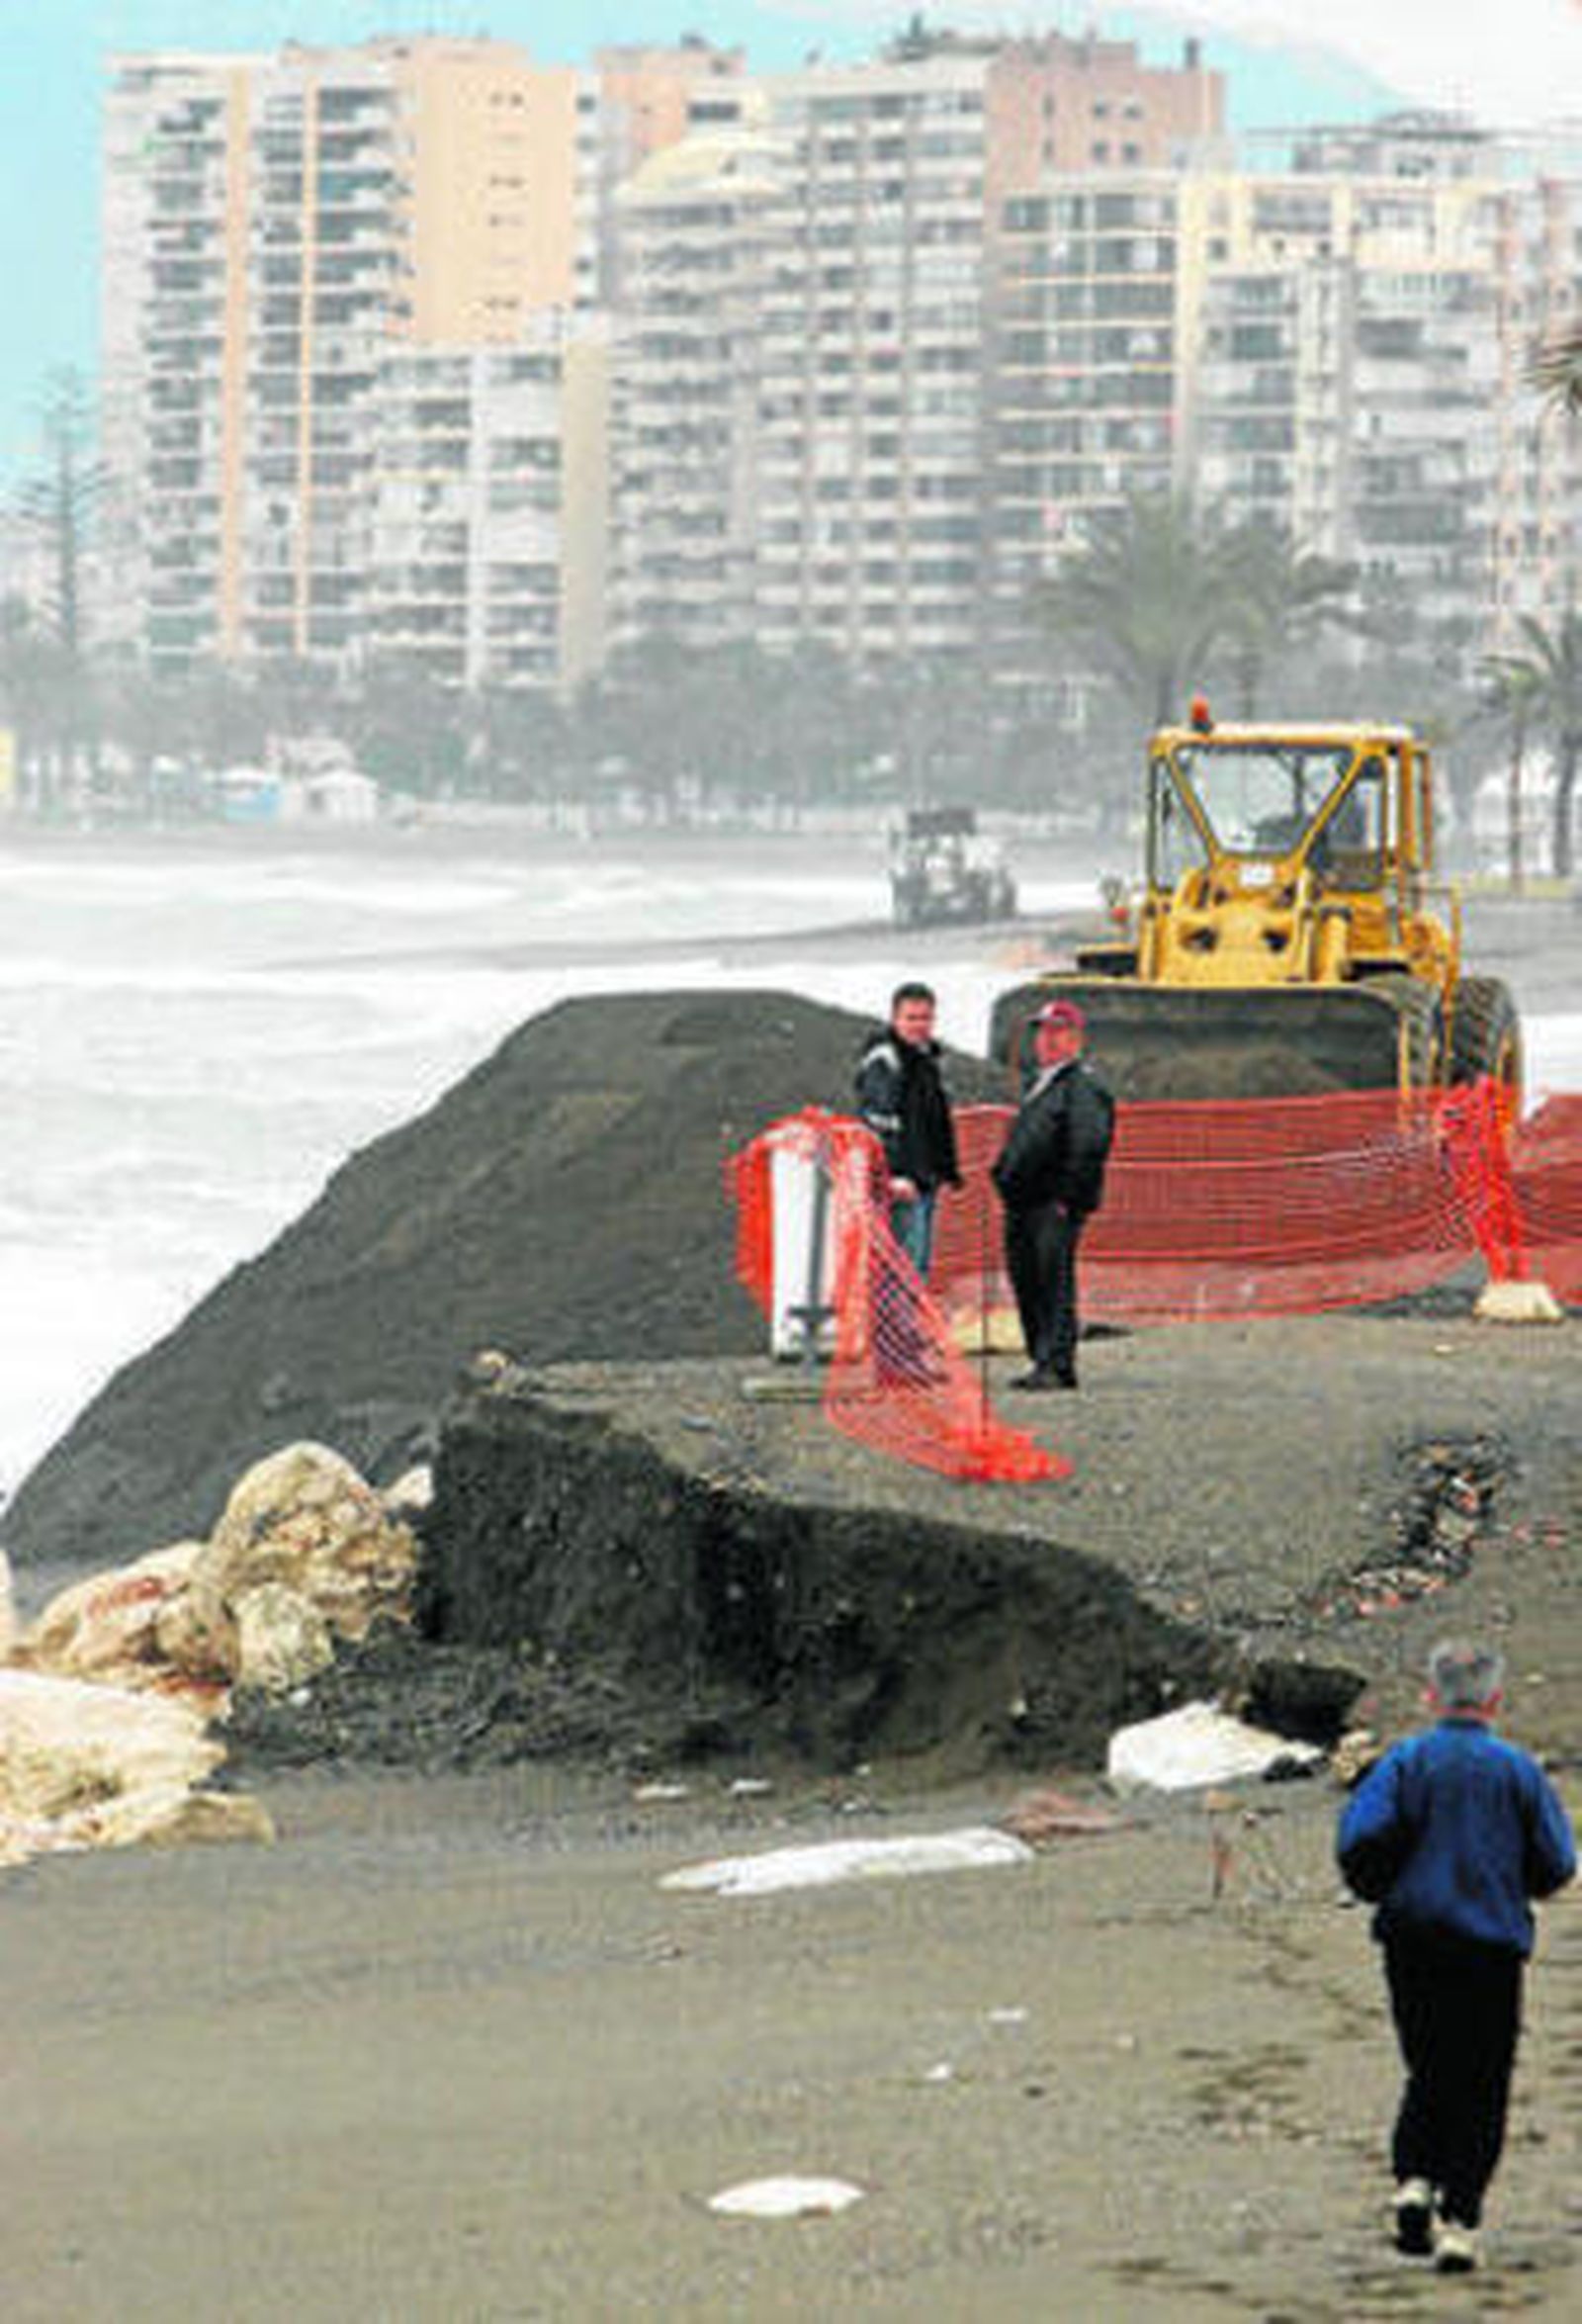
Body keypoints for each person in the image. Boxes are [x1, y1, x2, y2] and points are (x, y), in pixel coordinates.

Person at [1337, 1638, 1575, 2276]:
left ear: (1430, 1697)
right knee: (1483, 2080)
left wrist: (1383, 1884)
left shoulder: (1405, 1762)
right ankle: (1460, 2218)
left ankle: (1414, 2177)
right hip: (1490, 1943)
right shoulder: (1517, 1770)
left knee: (1429, 2065)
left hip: (1413, 1938)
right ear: (1495, 1699)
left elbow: (1358, 1837)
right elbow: (1557, 1862)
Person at [990, 997, 1114, 1390]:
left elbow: (1090, 1145)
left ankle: (1057, 1363)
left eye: (1057, 1032)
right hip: (1025, 1202)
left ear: (1076, 1038)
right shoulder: (1041, 1083)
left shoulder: (1082, 1086)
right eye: (1043, 1031)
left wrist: (1068, 1199)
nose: (1048, 1040)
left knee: (1052, 1281)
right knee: (1028, 1279)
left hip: (1052, 1204)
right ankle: (1042, 1358)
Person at [853, 981, 961, 1278]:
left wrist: (946, 1171)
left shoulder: (929, 1059)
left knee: (918, 1269)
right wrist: (895, 1175)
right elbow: (877, 1120)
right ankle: (903, 1326)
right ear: (894, 1018)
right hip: (900, 1188)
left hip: (925, 1181)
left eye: (925, 1018)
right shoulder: (884, 1061)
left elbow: (935, 1120)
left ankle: (911, 1324)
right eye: (911, 1018)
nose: (919, 1025)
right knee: (903, 1273)